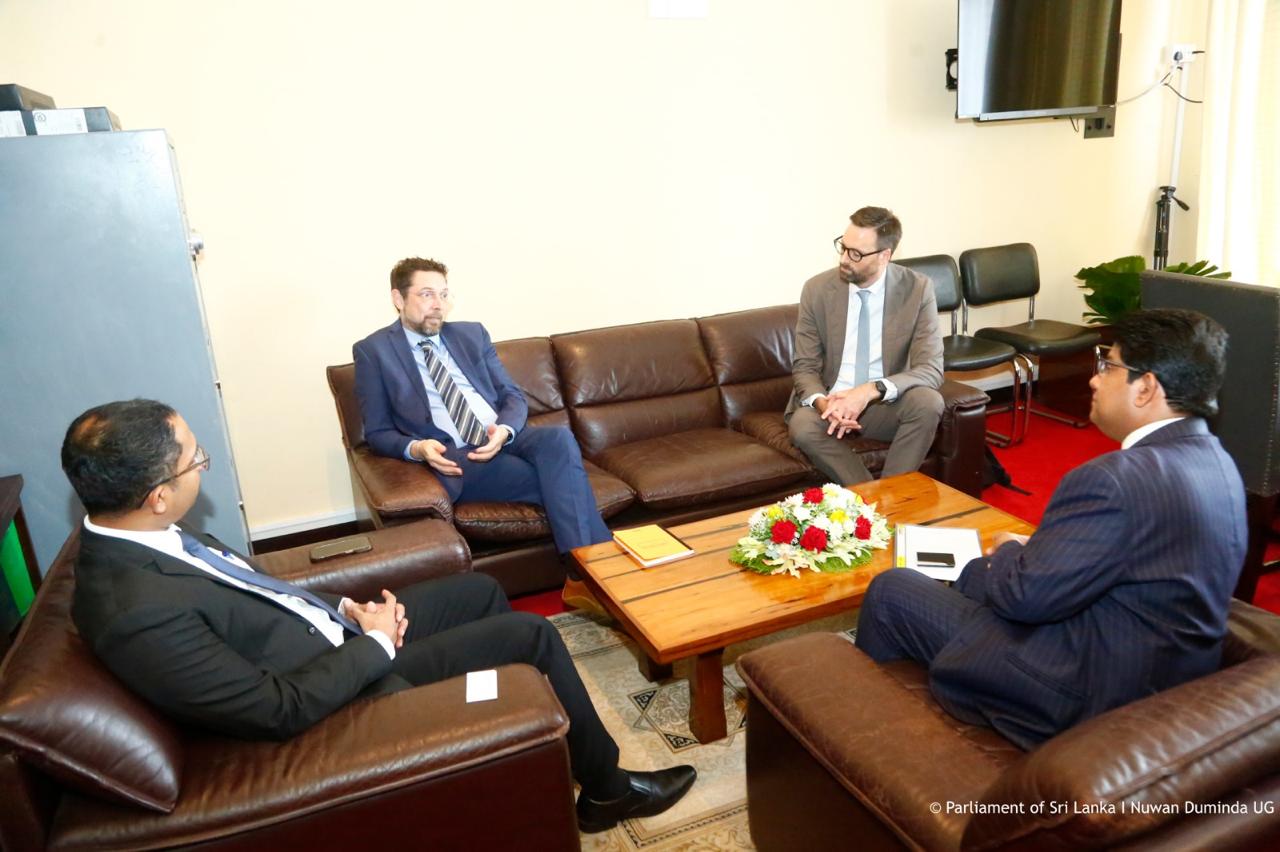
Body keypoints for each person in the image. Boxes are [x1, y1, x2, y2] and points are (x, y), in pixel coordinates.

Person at [63, 399, 695, 832]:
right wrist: (374, 645)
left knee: (476, 591)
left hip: (333, 637)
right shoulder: (134, 610)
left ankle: (508, 738)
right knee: (529, 635)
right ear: (158, 495)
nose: (203, 465)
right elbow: (273, 710)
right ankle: (608, 790)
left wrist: (341, 608)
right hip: (342, 696)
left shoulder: (144, 535)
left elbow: (251, 594)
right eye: (195, 459)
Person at [855, 308, 1247, 748]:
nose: (1094, 380)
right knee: (972, 572)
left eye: (1109, 366)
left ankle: (866, 740)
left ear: (1146, 388)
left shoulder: (1114, 480)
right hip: (1152, 677)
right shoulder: (1220, 464)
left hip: (1084, 693)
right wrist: (1034, 553)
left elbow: (1024, 597)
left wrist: (1009, 549)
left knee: (892, 590)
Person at [353, 257, 610, 613]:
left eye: (443, 294)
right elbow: (378, 431)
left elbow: (512, 395)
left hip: (501, 434)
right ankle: (597, 571)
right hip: (460, 454)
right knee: (560, 476)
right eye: (427, 294)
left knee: (559, 440)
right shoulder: (374, 352)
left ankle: (583, 575)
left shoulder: (471, 334)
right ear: (398, 298)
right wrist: (418, 448)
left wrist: (504, 430)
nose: (438, 304)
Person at [787, 207, 944, 485]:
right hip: (831, 405)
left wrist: (869, 391)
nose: (844, 259)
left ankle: (890, 490)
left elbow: (931, 369)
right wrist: (825, 404)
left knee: (929, 403)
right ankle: (874, 497)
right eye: (843, 247)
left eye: (856, 254)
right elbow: (805, 366)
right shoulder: (817, 289)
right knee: (802, 426)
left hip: (882, 405)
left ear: (884, 256)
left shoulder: (917, 289)